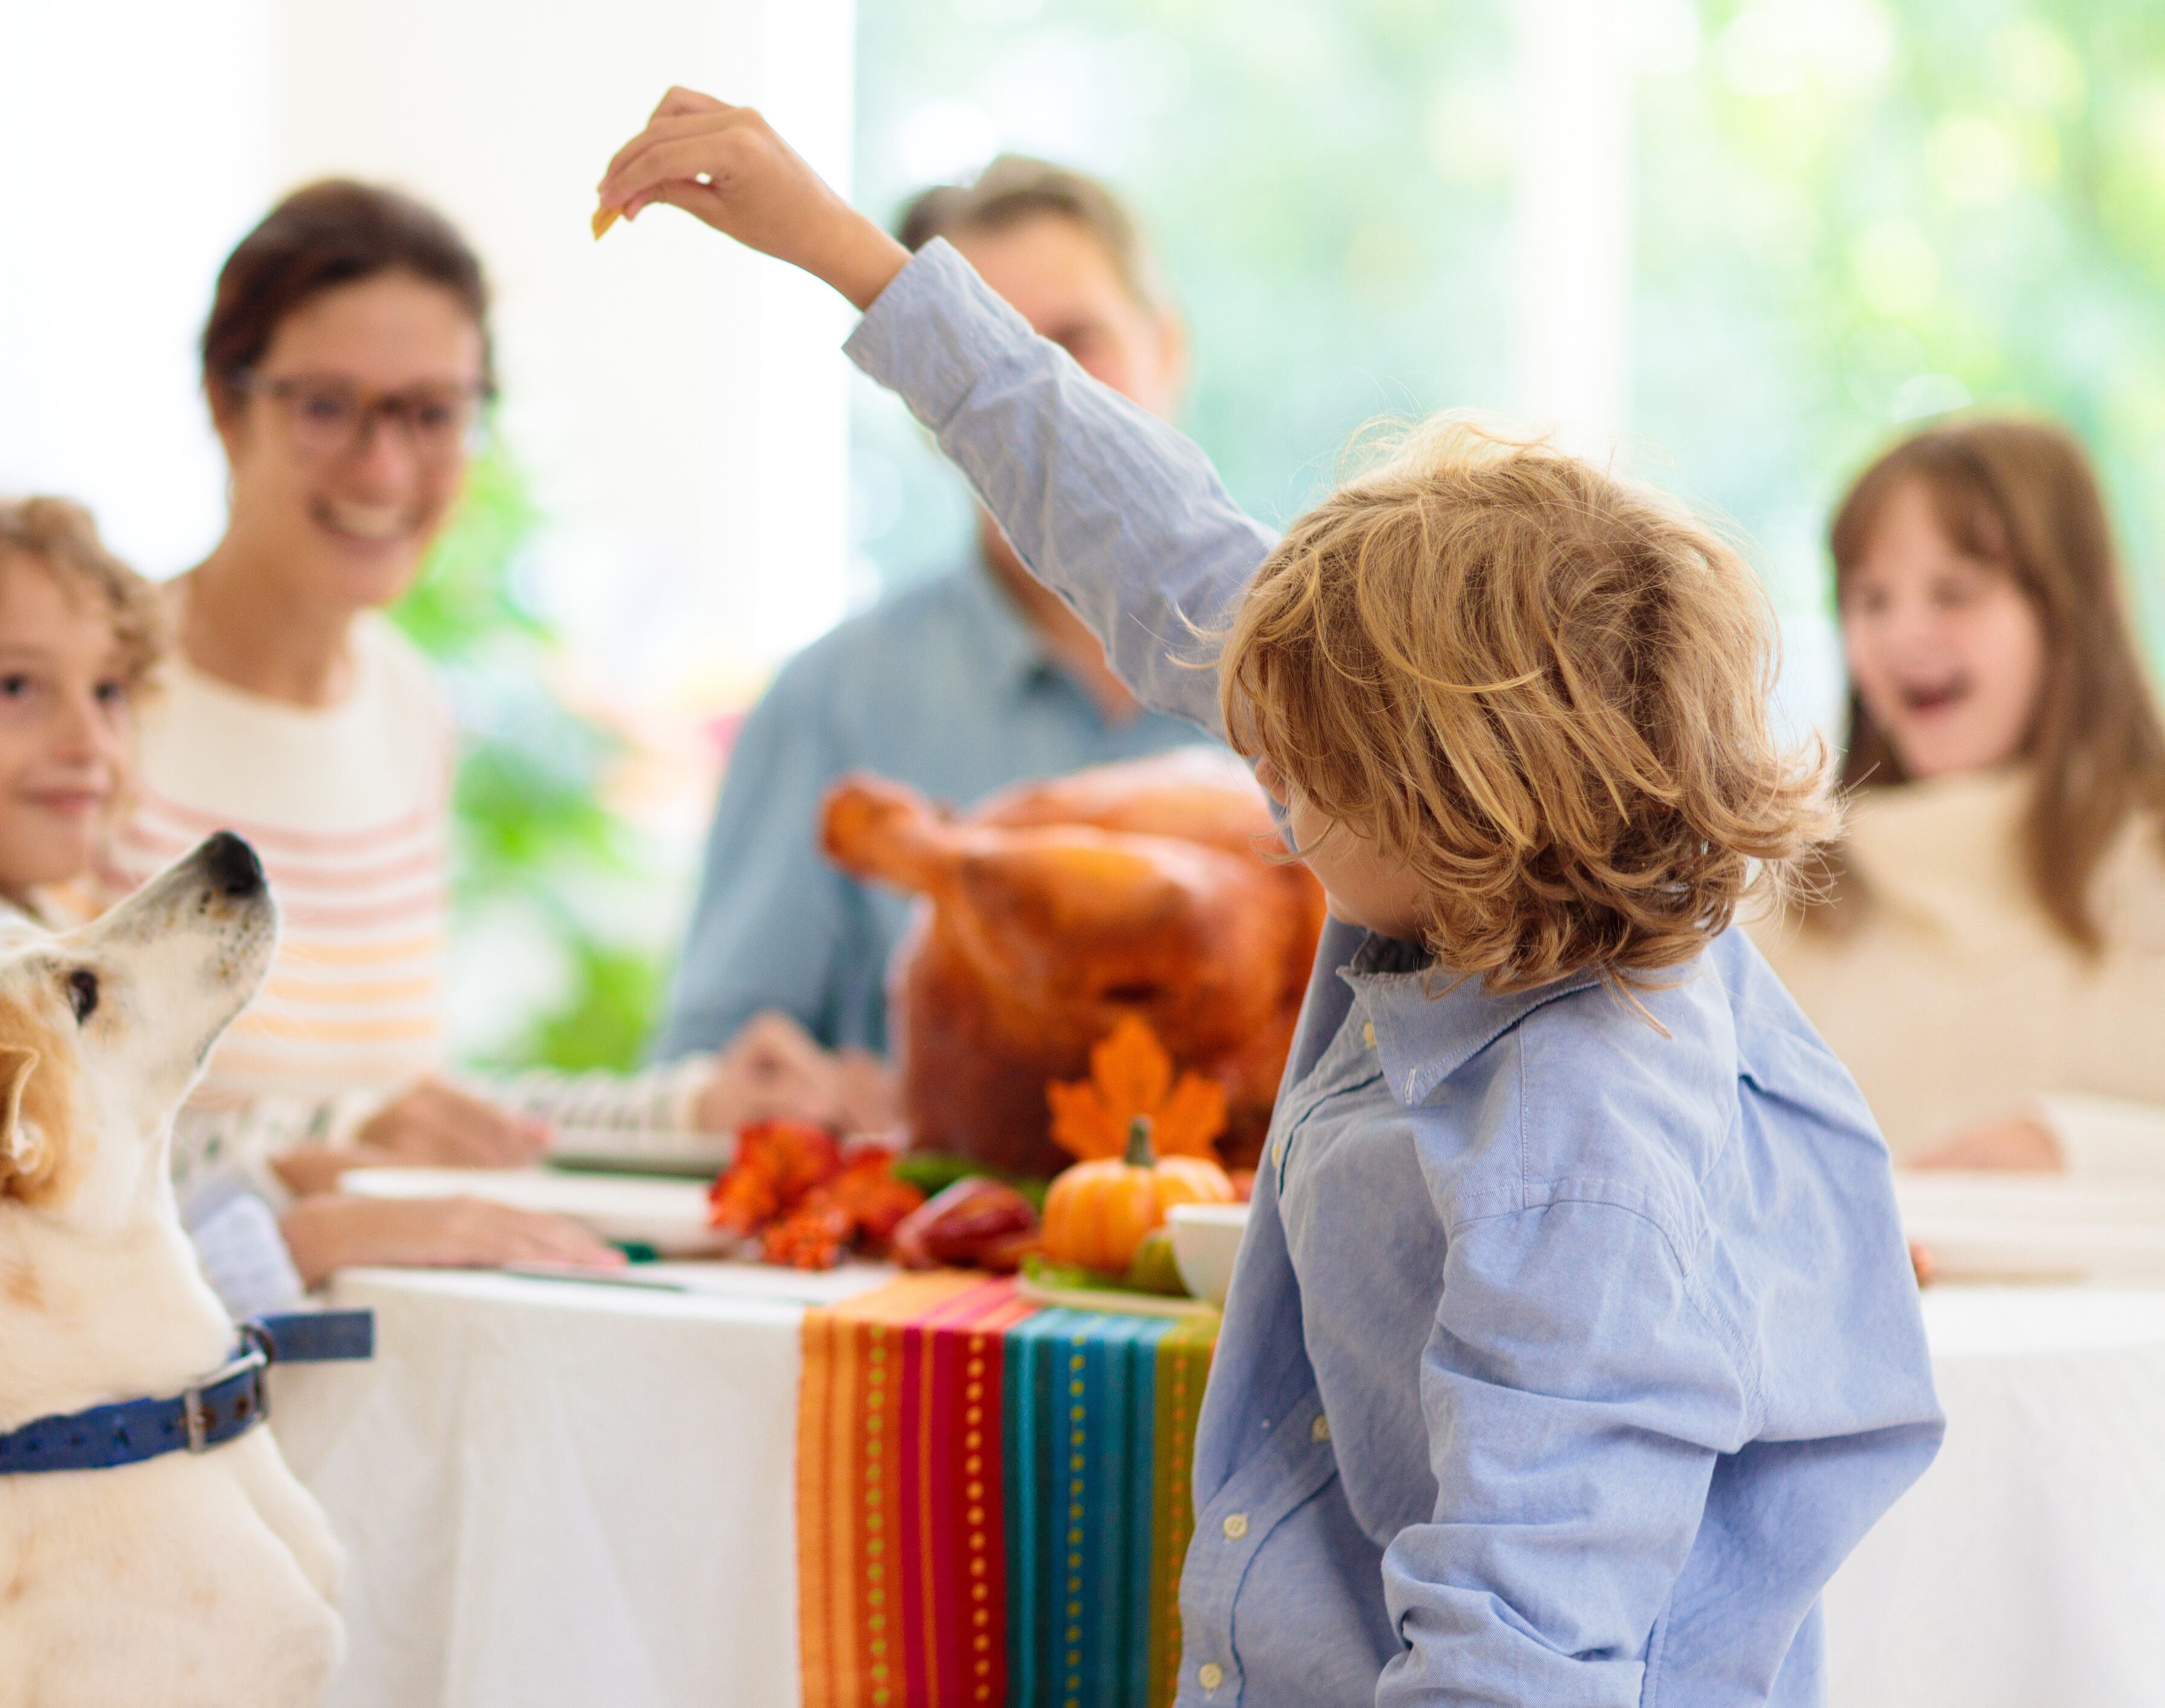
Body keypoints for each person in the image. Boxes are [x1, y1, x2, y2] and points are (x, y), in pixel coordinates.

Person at [594, 89, 1939, 1703]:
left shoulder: (1589, 1141)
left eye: (1299, 747)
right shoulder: (1472, 851)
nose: (1259, 757)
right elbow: (1149, 544)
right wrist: (849, 255)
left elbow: (1525, 1645)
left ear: (1452, 788)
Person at [0, 497, 613, 1686]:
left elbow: (57, 1217)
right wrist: (295, 1237)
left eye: (113, 690)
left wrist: (273, 1173)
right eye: (19, 690)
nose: (89, 741)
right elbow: (0, 1381)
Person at [97, 180, 840, 1239]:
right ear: (226, 401)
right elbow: (42, 1133)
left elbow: (416, 1114)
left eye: (432, 413)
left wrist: (693, 1107)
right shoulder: (92, 701)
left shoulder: (407, 709)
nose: (386, 466)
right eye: (326, 407)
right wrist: (356, 1129)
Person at [654, 157, 1219, 1073]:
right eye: (987, 364)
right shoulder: (833, 702)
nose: (1045, 402)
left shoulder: (1308, 689)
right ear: (929, 408)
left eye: (1078, 341)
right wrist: (744, 1088)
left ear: (1170, 349)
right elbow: (708, 1063)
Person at [1751, 417, 2165, 1172]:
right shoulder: (1782, 905)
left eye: (1954, 591)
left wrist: (2072, 1149)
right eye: (1870, 598)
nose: (1903, 633)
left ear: (2074, 611)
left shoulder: (2149, 863)